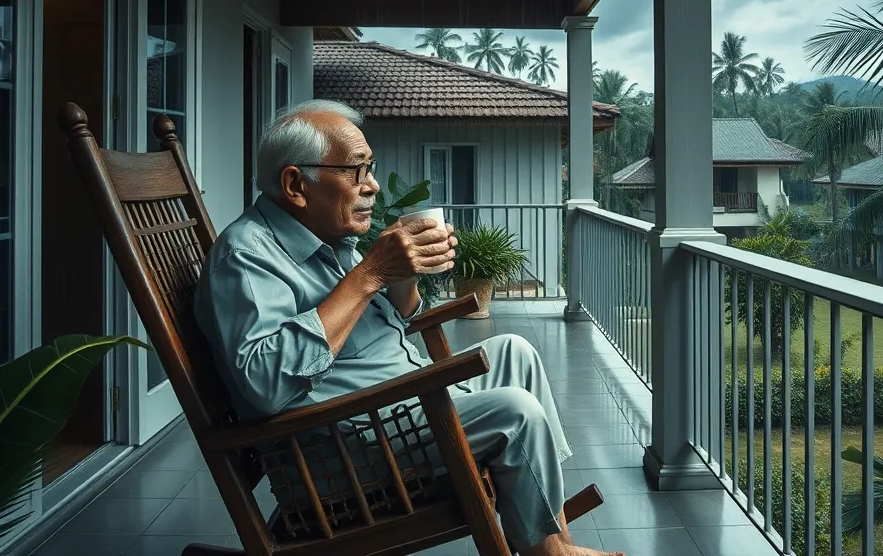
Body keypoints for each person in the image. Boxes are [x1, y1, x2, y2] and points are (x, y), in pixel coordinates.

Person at [195, 100, 623, 556]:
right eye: (356, 172)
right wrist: (369, 274)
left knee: (515, 351)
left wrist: (402, 275)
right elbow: (265, 384)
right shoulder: (246, 259)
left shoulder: (324, 238)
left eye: (371, 169)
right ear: (296, 184)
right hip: (344, 445)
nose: (373, 186)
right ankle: (547, 554)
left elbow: (389, 321)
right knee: (516, 412)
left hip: (394, 406)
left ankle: (554, 539)